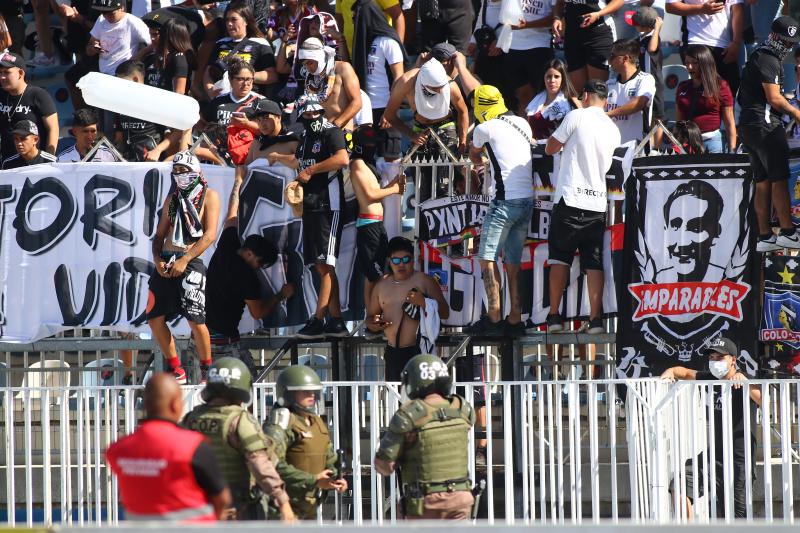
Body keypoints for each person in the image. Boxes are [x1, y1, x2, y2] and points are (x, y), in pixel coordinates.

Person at [203, 137, 295, 378]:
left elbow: (231, 214)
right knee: (246, 384)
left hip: (204, 335)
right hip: (223, 340)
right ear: (251, 254)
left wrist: (238, 182)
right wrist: (280, 295)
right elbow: (258, 312)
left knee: (210, 389)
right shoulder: (246, 275)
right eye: (261, 263)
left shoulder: (228, 244)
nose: (260, 268)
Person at [544, 80, 620, 333]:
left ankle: (554, 316)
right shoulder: (613, 128)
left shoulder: (576, 115)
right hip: (596, 202)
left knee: (559, 258)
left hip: (569, 197)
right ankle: (596, 319)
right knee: (594, 262)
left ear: (585, 96)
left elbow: (549, 147)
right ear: (606, 101)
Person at [182, 358, 296, 521]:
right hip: (235, 510)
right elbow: (260, 465)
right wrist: (282, 500)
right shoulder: (240, 420)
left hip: (198, 509)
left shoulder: (190, 419)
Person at [106, 374, 232, 521]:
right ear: (175, 404)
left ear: (145, 405)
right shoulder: (194, 446)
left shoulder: (118, 450)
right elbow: (222, 499)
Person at [661, 337, 761, 519]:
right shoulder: (710, 378)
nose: (714, 362)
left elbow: (766, 400)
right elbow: (684, 372)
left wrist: (746, 382)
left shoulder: (746, 381)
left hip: (740, 461)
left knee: (736, 518)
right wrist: (670, 371)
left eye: (719, 358)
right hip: (713, 457)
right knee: (680, 485)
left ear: (733, 360)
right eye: (711, 358)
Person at [275, 96, 350, 339]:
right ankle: (337, 321)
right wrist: (277, 158)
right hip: (311, 205)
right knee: (321, 266)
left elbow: (342, 159)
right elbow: (299, 161)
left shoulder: (332, 132)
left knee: (325, 264)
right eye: (307, 115)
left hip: (329, 204)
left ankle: (318, 319)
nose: (311, 118)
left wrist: (310, 170)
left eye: (315, 113)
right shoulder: (305, 137)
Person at [147, 151, 221, 384]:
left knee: (196, 319)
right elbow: (159, 235)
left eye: (184, 171)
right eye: (176, 171)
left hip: (190, 262)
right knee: (154, 316)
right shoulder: (173, 200)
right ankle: (175, 368)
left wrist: (185, 259)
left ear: (196, 171)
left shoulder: (209, 196)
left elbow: (209, 235)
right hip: (168, 260)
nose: (179, 175)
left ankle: (207, 370)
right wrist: (157, 258)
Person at [374, 354, 475, 520]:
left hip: (426, 502)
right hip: (461, 499)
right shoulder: (462, 409)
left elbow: (385, 466)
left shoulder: (408, 415)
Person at [467, 85, 533, 337]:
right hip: (527, 200)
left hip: (504, 201)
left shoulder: (485, 128)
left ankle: (493, 316)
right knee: (513, 263)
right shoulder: (522, 123)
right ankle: (515, 318)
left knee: (487, 258)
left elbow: (474, 153)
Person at [738, 16, 800, 253]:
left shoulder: (758, 56)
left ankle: (764, 235)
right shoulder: (768, 58)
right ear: (773, 37)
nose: (788, 47)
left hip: (750, 125)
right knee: (779, 178)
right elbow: (773, 98)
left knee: (762, 181)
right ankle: (787, 231)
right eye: (784, 42)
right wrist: (796, 113)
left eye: (791, 43)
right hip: (764, 124)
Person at [263, 365, 348, 519]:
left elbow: (328, 455)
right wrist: (313, 480)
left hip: (310, 504)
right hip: (283, 507)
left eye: (314, 391)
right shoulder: (281, 422)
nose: (312, 395)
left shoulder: (316, 421)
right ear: (289, 393)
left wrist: (335, 477)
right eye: (305, 391)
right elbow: (271, 464)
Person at [384, 58, 469, 200]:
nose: (440, 91)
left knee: (445, 187)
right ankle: (424, 220)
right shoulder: (407, 82)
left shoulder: (450, 86)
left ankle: (445, 218)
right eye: (435, 89)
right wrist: (411, 135)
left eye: (441, 87)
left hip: (445, 125)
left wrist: (463, 140)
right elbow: (389, 115)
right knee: (422, 188)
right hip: (419, 129)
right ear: (423, 83)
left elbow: (463, 111)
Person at [366, 237, 449, 380]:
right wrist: (374, 324)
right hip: (392, 352)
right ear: (389, 261)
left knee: (420, 398)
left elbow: (445, 312)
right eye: (396, 261)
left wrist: (423, 302)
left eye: (406, 259)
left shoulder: (424, 281)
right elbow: (370, 317)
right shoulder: (382, 285)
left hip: (418, 351)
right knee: (397, 400)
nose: (401, 265)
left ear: (413, 259)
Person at [350, 124, 405, 316]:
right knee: (373, 276)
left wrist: (393, 184)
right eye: (372, 144)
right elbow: (371, 194)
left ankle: (375, 314)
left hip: (375, 223)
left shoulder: (366, 164)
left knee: (379, 272)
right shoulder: (357, 163)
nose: (375, 148)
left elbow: (377, 193)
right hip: (368, 224)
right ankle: (372, 318)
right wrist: (395, 189)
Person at [665, 0, 743, 95]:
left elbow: (737, 9)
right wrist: (701, 9)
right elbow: (670, 6)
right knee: (700, 97)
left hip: (723, 46)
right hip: (694, 42)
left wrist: (736, 42)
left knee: (728, 95)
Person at [203, 1, 278, 99]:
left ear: (246, 21)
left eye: (234, 20)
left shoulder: (260, 43)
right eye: (227, 20)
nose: (229, 24)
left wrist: (241, 76)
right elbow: (207, 73)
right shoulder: (220, 43)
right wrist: (210, 91)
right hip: (222, 99)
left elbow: (272, 76)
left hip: (249, 100)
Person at [351, 0, 407, 126]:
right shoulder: (362, 43)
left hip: (385, 108)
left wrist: (390, 111)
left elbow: (399, 78)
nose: (354, 22)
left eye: (357, 18)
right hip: (365, 109)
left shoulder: (388, 42)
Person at [114, 60, 182, 162]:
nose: (119, 87)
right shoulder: (119, 103)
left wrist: (158, 150)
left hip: (153, 164)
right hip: (127, 164)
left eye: (122, 83)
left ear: (136, 80)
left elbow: (178, 132)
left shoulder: (156, 101)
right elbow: (119, 138)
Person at [199, 60, 264, 165]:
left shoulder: (261, 102)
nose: (246, 84)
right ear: (230, 79)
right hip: (217, 158)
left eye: (249, 79)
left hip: (247, 159)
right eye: (240, 79)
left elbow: (270, 132)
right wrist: (209, 137)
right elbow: (202, 121)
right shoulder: (218, 101)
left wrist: (247, 124)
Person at [659, 180, 724, 283]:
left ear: (716, 233)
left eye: (696, 229)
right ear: (665, 230)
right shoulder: (653, 279)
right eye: (675, 227)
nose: (683, 243)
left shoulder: (729, 276)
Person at [675, 44, 736, 153]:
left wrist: (732, 151)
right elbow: (679, 121)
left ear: (704, 63)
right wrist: (677, 142)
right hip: (687, 144)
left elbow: (729, 123)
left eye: (694, 63)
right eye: (687, 63)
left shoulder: (721, 86)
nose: (689, 67)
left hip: (712, 142)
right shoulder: (682, 86)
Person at [551, 0, 623, 92]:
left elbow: (619, 1)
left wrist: (598, 14)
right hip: (572, 36)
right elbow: (560, 3)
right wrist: (557, 18)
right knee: (578, 92)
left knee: (597, 89)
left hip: (598, 34)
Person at [0, 51, 58, 164]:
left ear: (20, 73)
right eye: (0, 72)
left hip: (34, 163)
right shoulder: (1, 95)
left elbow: (53, 129)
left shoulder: (38, 95)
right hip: (7, 162)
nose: (2, 77)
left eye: (7, 72)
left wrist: (48, 161)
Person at [297, 37, 363, 132]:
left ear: (318, 57)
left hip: (341, 130)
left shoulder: (342, 68)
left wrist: (335, 126)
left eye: (310, 63)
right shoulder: (310, 78)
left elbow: (357, 103)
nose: (308, 67)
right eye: (305, 64)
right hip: (318, 132)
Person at [505, 0, 556, 115]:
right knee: (523, 95)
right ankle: (524, 131)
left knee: (542, 95)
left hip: (539, 46)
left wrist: (526, 25)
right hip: (513, 46)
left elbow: (553, 18)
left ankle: (540, 129)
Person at [606, 39, 656, 145]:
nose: (609, 61)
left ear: (625, 58)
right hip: (611, 148)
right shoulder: (609, 84)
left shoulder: (645, 79)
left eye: (612, 56)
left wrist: (608, 114)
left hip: (636, 149)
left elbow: (639, 103)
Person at [629, 7, 665, 149]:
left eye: (637, 23)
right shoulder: (640, 39)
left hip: (654, 83)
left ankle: (657, 148)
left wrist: (657, 29)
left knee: (657, 116)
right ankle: (647, 146)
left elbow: (651, 49)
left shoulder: (653, 38)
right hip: (640, 83)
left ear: (644, 26)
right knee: (644, 116)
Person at [86, 0, 151, 76]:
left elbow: (153, 44)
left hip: (124, 76)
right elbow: (89, 49)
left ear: (121, 8)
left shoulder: (133, 22)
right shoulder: (101, 20)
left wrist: (135, 60)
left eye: (111, 13)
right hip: (103, 74)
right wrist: (94, 47)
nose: (107, 16)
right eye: (103, 12)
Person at [138, 17, 193, 94]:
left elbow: (179, 92)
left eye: (157, 34)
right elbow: (129, 69)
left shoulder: (179, 58)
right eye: (150, 34)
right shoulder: (152, 56)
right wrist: (146, 50)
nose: (152, 38)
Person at [525, 58, 577, 140]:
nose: (552, 80)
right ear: (544, 79)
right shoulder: (536, 101)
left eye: (556, 77)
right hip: (534, 150)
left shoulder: (570, 103)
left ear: (563, 79)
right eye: (548, 77)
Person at [335, 0, 404, 60]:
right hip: (353, 53)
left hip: (378, 55)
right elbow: (340, 18)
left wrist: (397, 51)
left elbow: (397, 16)